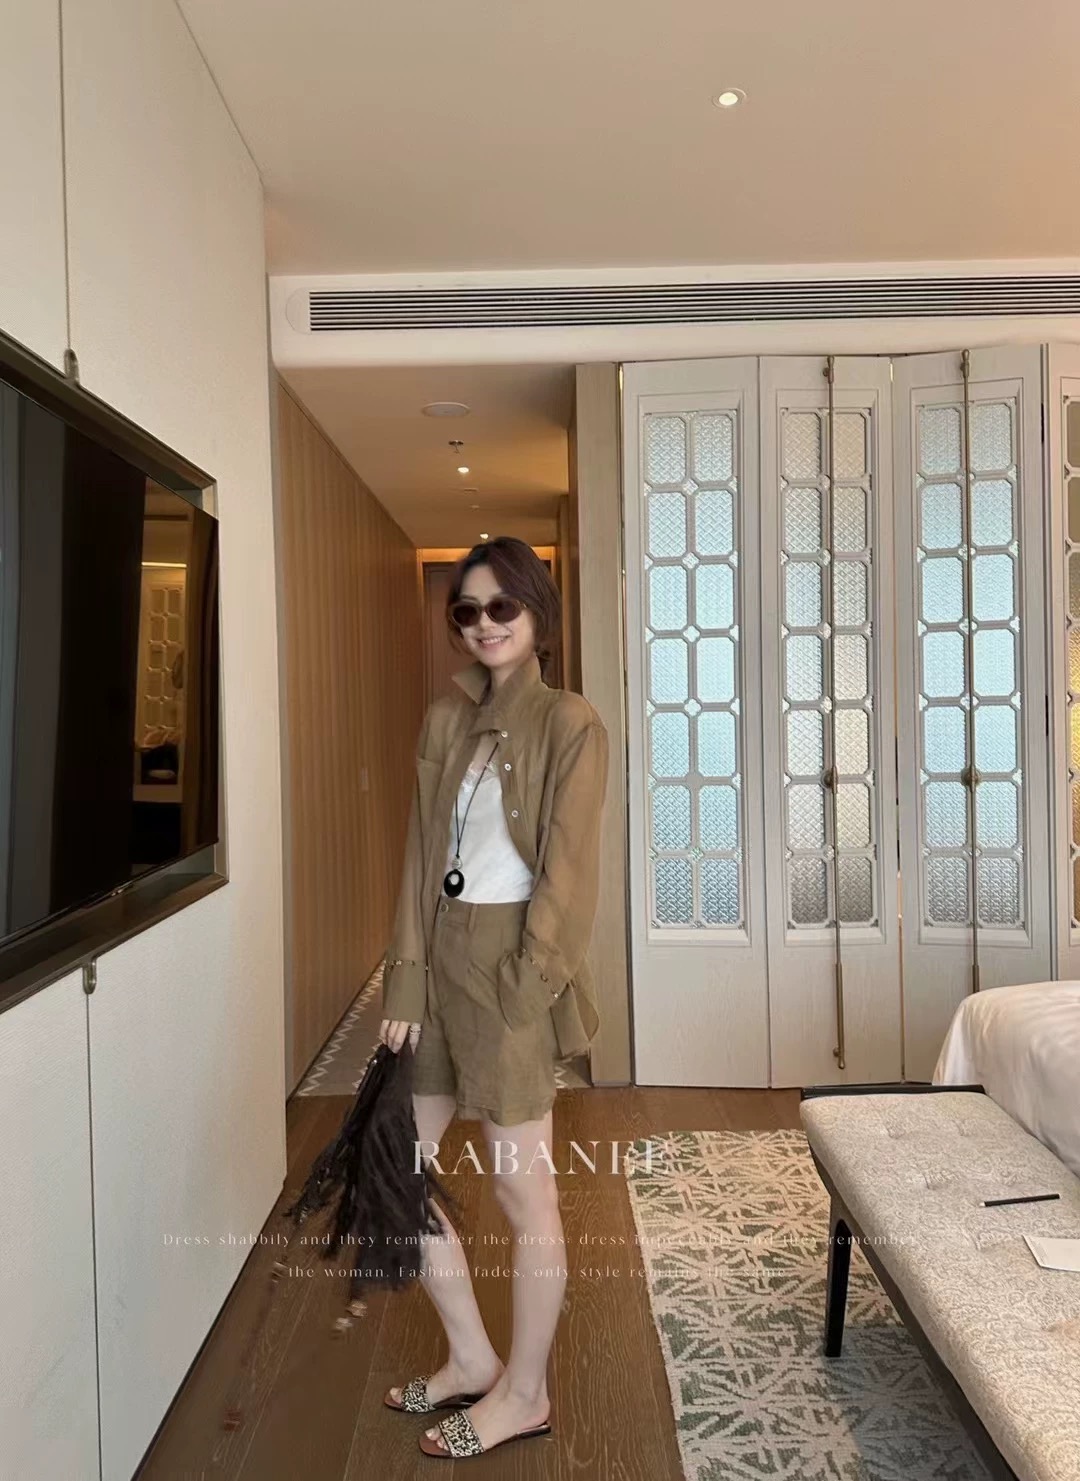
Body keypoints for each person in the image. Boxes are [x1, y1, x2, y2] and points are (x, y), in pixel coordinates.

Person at [378, 536, 608, 1460]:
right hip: (438, 959)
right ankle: (473, 1355)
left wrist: (525, 984)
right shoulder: (445, 718)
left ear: (536, 613)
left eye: (501, 607)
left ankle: (526, 1391)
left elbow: (569, 874)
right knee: (398, 1163)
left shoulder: (569, 721)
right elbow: (417, 854)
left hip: (510, 962)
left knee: (522, 1187)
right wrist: (405, 974)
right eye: (466, 610)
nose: (483, 624)